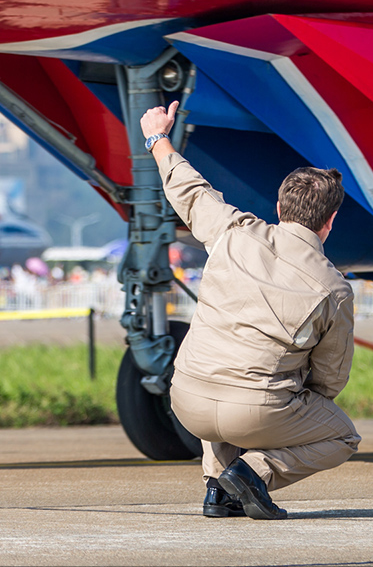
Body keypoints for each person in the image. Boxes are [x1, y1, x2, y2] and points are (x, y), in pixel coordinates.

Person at [140, 102, 360, 521]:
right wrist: (290, 402)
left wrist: (157, 137)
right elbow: (330, 378)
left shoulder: (231, 233)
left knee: (222, 358)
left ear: (279, 209)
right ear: (330, 221)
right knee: (344, 436)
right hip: (255, 412)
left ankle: (217, 491)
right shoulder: (334, 288)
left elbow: (190, 191)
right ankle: (251, 473)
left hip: (187, 402)